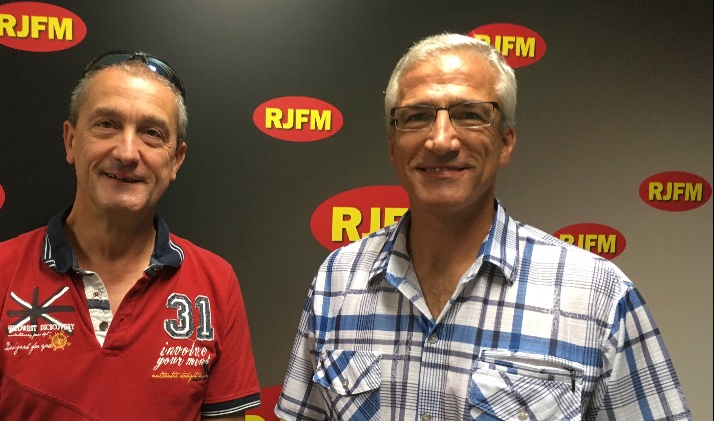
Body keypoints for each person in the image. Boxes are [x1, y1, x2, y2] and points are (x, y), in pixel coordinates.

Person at [275, 33, 692, 420]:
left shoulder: (597, 295)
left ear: (506, 142)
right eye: (417, 116)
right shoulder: (338, 279)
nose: (441, 140)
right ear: (392, 145)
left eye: (469, 115)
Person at [0, 50, 260, 420]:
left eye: (152, 133)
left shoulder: (216, 284)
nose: (127, 152)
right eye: (106, 124)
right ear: (71, 141)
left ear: (176, 160)